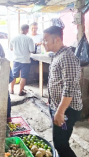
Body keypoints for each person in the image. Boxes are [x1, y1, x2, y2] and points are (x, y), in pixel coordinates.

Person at [43, 26, 83, 157]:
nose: (43, 43)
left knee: (61, 144)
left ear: (57, 39)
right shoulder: (58, 55)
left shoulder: (67, 57)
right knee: (59, 141)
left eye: (46, 40)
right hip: (59, 107)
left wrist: (60, 112)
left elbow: (69, 87)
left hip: (67, 109)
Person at [10, 24, 35, 96]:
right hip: (25, 61)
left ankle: (11, 90)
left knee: (14, 76)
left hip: (16, 60)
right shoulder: (29, 39)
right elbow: (32, 50)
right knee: (23, 77)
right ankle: (20, 92)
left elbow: (11, 49)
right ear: (27, 30)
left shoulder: (13, 38)